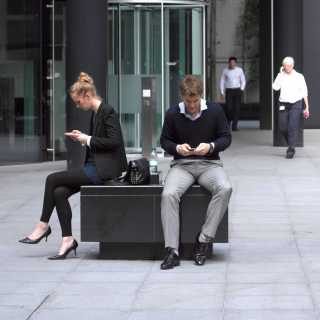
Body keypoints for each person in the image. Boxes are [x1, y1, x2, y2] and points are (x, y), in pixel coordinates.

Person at [19, 72, 127, 259]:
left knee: (52, 179)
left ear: (87, 95)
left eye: (78, 102)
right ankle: (68, 239)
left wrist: (88, 139)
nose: (78, 106)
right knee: (59, 192)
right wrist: (84, 138)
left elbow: (115, 142)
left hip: (103, 170)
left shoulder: (107, 111)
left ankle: (43, 225)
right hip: (94, 167)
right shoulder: (96, 113)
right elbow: (100, 141)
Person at [159, 75, 232, 270]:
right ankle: (172, 251)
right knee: (168, 194)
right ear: (182, 97)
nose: (191, 106)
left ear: (201, 96)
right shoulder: (173, 113)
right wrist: (177, 148)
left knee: (225, 188)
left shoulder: (215, 110)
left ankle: (203, 241)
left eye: (195, 101)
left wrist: (210, 146)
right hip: (182, 165)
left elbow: (226, 138)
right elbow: (164, 141)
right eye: (188, 102)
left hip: (210, 164)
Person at [273, 56, 310, 159]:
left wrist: (307, 107)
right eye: (285, 66)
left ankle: (291, 148)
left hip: (296, 104)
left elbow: (304, 92)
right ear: (283, 66)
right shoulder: (281, 75)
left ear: (293, 66)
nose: (287, 67)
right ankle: (291, 143)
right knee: (282, 127)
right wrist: (280, 75)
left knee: (292, 126)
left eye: (289, 65)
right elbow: (275, 87)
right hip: (283, 104)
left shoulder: (299, 76)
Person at [220, 56, 246, 131]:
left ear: (235, 63)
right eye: (231, 63)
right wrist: (222, 92)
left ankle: (235, 126)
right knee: (229, 108)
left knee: (237, 108)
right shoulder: (225, 71)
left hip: (237, 90)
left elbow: (243, 80)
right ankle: (228, 123)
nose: (232, 64)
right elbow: (222, 81)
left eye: (233, 63)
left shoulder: (239, 70)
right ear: (229, 63)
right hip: (229, 91)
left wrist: (242, 89)